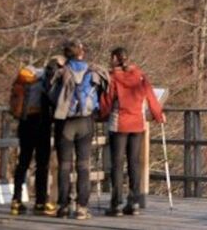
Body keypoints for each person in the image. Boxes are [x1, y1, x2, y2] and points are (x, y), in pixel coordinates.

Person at [101, 46, 165, 216]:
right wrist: (158, 116)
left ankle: (116, 204)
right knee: (134, 163)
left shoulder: (113, 77)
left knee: (117, 163)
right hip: (137, 123)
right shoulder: (140, 75)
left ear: (115, 58)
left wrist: (100, 115)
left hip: (119, 123)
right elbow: (151, 96)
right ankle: (134, 202)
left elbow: (107, 102)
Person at [49, 40, 108, 220]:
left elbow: (51, 96)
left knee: (64, 166)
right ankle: (82, 207)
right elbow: (100, 95)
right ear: (81, 53)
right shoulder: (92, 71)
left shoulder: (60, 72)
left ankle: (63, 207)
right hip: (85, 122)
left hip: (65, 122)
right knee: (83, 166)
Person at [9, 55, 64, 216]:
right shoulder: (49, 78)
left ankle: (16, 200)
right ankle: (40, 201)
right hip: (41, 123)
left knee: (23, 162)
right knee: (42, 164)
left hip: (25, 122)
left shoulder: (28, 76)